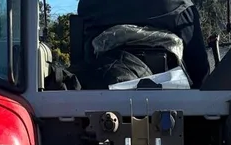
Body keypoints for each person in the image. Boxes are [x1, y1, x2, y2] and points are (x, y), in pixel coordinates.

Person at [76, 0, 211, 85]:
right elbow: (199, 71)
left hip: (98, 96)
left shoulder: (89, 4)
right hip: (171, 109)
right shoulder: (179, 5)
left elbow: (83, 56)